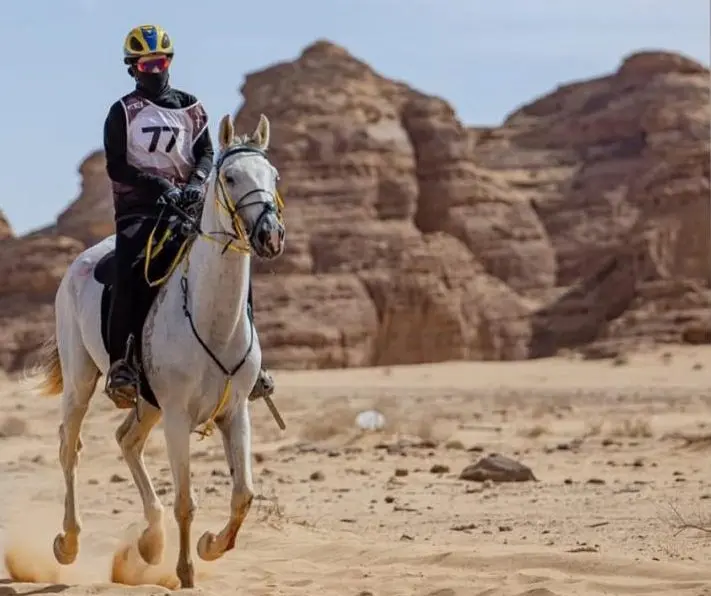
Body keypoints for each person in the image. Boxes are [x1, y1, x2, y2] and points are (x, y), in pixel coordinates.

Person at [103, 24, 275, 409]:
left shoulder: (192, 108)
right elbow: (117, 166)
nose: (156, 71)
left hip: (189, 205)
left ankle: (251, 361)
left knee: (235, 260)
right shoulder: (122, 112)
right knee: (129, 272)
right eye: (147, 66)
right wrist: (157, 186)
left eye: (161, 62)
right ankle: (122, 365)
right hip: (140, 210)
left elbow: (207, 155)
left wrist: (197, 182)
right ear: (133, 68)